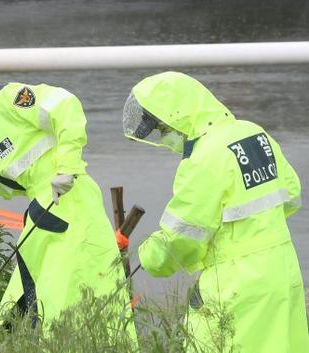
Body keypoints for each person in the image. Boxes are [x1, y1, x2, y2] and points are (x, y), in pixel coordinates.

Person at [0, 76, 138, 340]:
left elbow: (64, 105)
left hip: (70, 202)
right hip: (47, 210)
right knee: (24, 305)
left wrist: (67, 167)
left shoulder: (4, 101)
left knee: (71, 293)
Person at [122, 71, 308, 352]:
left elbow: (181, 239)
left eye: (164, 129)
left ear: (177, 117)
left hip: (236, 284)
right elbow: (292, 195)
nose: (166, 137)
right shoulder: (255, 133)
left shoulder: (203, 158)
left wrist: (147, 256)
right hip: (282, 269)